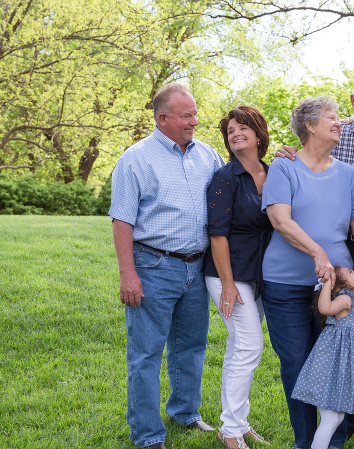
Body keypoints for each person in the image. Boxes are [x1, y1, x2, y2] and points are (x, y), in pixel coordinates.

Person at [276, 74, 354, 447]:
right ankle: (310, 439)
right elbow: (282, 217)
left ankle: (352, 431)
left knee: (353, 355)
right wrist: (318, 252)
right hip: (302, 270)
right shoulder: (298, 157)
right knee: (302, 361)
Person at [109, 83, 223, 449]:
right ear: (163, 118)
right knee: (145, 353)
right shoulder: (136, 158)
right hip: (153, 266)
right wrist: (129, 274)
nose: (195, 120)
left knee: (191, 346)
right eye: (187, 115)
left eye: (194, 113)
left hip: (197, 267)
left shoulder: (208, 155)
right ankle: (148, 434)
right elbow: (122, 220)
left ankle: (185, 413)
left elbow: (243, 181)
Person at [203, 106, 273, 449]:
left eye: (243, 127)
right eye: (231, 131)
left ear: (259, 134)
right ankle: (230, 430)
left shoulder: (273, 172)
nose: (236, 134)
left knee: (237, 349)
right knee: (248, 347)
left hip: (259, 274)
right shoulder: (225, 178)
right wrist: (228, 284)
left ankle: (236, 423)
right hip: (226, 274)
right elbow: (218, 234)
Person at [292, 267, 354, 449]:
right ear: (344, 284)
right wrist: (328, 282)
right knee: (330, 419)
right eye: (352, 272)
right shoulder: (346, 300)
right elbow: (324, 307)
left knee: (337, 417)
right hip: (331, 367)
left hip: (345, 372)